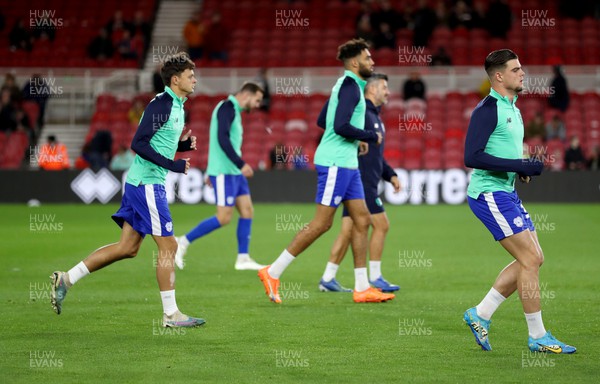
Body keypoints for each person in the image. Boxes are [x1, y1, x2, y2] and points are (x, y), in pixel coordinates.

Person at [49, 52, 205, 328]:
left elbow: (155, 142)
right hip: (147, 183)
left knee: (128, 247)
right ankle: (171, 315)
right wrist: (174, 164)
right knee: (169, 245)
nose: (195, 79)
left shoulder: (178, 106)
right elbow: (139, 143)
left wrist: (181, 147)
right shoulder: (162, 105)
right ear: (175, 79)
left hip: (139, 183)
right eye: (191, 75)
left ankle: (67, 278)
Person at [257, 39, 393, 304]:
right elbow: (340, 125)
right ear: (355, 62)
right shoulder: (351, 87)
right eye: (368, 57)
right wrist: (368, 135)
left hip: (348, 163)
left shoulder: (345, 86)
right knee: (322, 223)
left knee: (362, 220)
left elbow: (324, 121)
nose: (372, 61)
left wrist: (357, 140)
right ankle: (272, 271)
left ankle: (362, 287)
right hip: (335, 163)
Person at [463, 49, 576, 354]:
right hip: (489, 194)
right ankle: (537, 336)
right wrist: (521, 166)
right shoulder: (487, 109)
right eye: (516, 69)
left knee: (534, 258)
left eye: (521, 68)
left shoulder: (512, 106)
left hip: (507, 191)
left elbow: (504, 152)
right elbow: (471, 157)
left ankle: (481, 314)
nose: (523, 73)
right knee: (529, 259)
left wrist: (519, 169)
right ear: (498, 76)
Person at [318, 73, 401, 293]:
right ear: (372, 89)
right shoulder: (362, 112)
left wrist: (390, 174)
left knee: (348, 230)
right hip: (360, 181)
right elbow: (341, 129)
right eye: (384, 87)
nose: (388, 92)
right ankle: (374, 277)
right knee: (381, 225)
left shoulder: (373, 115)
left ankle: (328, 277)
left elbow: (376, 155)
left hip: (364, 180)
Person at [174, 82, 265, 271]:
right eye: (257, 100)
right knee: (224, 217)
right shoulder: (227, 108)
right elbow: (221, 139)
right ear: (247, 95)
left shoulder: (233, 111)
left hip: (232, 172)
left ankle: (243, 258)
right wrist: (240, 164)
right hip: (225, 172)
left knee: (247, 211)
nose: (257, 105)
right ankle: (182, 241)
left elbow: (219, 142)